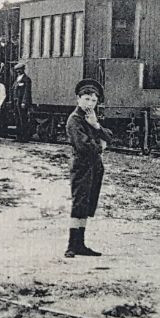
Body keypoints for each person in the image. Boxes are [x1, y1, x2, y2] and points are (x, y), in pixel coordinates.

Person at [65, 80, 114, 258]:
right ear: (78, 99)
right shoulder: (74, 120)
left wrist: (96, 126)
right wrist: (101, 145)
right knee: (79, 203)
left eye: (94, 101)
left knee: (87, 204)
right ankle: (71, 245)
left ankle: (80, 244)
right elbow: (83, 146)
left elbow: (110, 137)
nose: (90, 104)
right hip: (82, 166)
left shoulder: (91, 118)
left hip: (95, 166)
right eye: (86, 99)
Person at [10, 62, 34, 141]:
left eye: (19, 70)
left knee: (23, 119)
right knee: (17, 119)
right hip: (16, 102)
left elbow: (27, 92)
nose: (18, 71)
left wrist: (24, 102)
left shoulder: (26, 79)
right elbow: (13, 90)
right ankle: (19, 136)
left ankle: (24, 137)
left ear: (23, 70)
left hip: (21, 103)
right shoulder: (16, 79)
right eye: (17, 70)